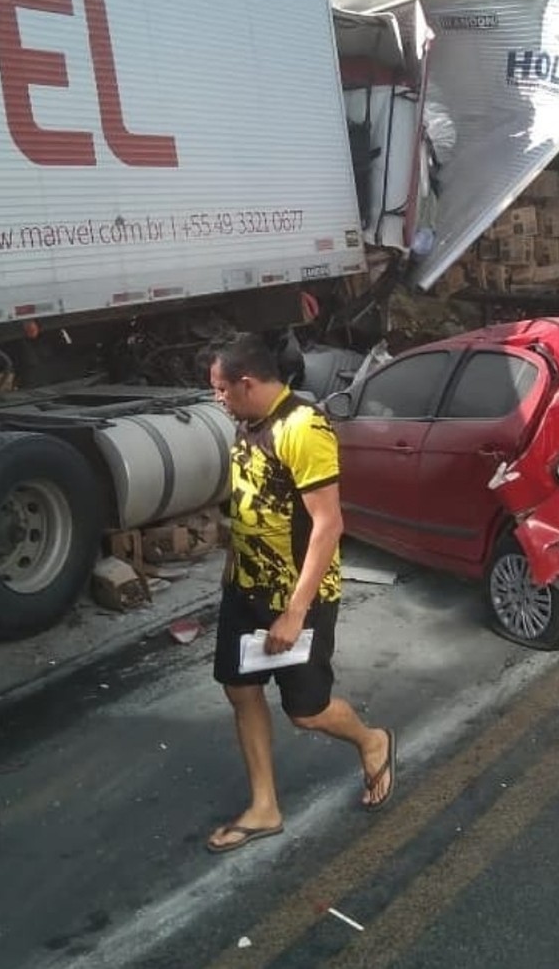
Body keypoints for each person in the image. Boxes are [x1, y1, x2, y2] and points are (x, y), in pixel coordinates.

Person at [204, 332, 396, 854]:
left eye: (220, 389)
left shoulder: (303, 428)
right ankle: (264, 807)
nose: (217, 398)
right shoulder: (248, 421)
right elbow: (250, 502)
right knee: (241, 690)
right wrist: (232, 568)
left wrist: (293, 613)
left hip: (296, 599)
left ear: (247, 383)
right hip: (244, 589)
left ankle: (371, 740)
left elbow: (328, 524)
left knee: (306, 711)